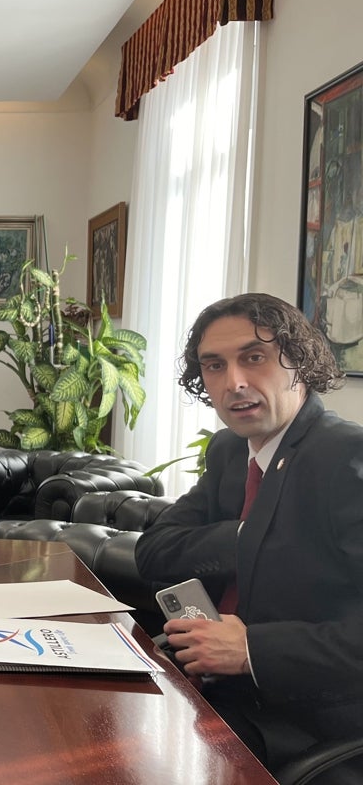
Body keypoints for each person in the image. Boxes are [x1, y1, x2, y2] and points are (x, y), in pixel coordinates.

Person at [136, 293, 363, 776]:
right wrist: (248, 538)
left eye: (254, 358)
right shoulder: (229, 451)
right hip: (214, 690)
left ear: (297, 361)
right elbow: (154, 550)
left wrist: (251, 650)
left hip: (309, 723)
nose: (234, 382)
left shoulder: (346, 459)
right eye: (214, 366)